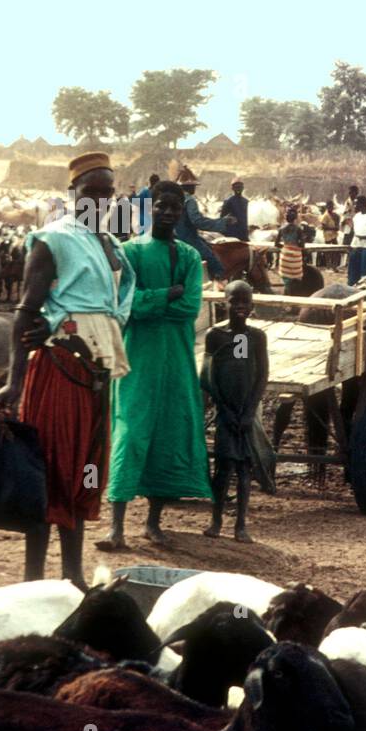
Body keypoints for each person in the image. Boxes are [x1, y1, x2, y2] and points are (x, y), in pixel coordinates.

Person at [0, 151, 137, 588]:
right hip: (57, 372)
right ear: (72, 194)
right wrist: (13, 383)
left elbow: (113, 306)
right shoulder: (53, 239)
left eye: (106, 193)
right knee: (48, 475)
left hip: (95, 381)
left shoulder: (110, 245)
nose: (98, 200)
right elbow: (25, 312)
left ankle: (72, 579)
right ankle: (34, 581)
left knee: (81, 475)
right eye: (89, 192)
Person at [99, 180, 212, 549]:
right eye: (161, 206)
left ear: (181, 212)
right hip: (137, 359)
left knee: (168, 434)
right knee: (131, 432)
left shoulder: (191, 258)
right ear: (150, 209)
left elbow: (190, 308)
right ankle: (115, 527)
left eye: (174, 207)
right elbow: (126, 304)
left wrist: (155, 301)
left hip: (176, 359)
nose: (167, 212)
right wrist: (166, 293)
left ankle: (153, 522)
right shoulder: (130, 251)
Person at [201, 280, 274, 543]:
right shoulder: (215, 336)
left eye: (245, 302)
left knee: (244, 468)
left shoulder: (256, 337)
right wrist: (225, 409)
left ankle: (241, 525)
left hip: (246, 413)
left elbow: (262, 375)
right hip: (226, 413)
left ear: (253, 304)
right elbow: (209, 377)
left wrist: (249, 411)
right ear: (225, 302)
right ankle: (216, 519)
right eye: (235, 301)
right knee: (223, 468)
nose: (240, 307)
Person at [175, 165, 235, 279]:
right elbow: (198, 221)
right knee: (214, 262)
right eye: (194, 186)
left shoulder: (173, 198)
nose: (195, 189)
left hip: (173, 237)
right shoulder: (189, 200)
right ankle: (217, 281)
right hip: (187, 238)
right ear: (189, 187)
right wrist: (223, 222)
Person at [277, 207, 309, 294]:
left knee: (286, 282)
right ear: (295, 218)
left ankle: (286, 298)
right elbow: (302, 245)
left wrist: (285, 247)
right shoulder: (298, 229)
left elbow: (276, 244)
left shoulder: (281, 229)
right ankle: (294, 300)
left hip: (285, 256)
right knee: (296, 281)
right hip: (295, 257)